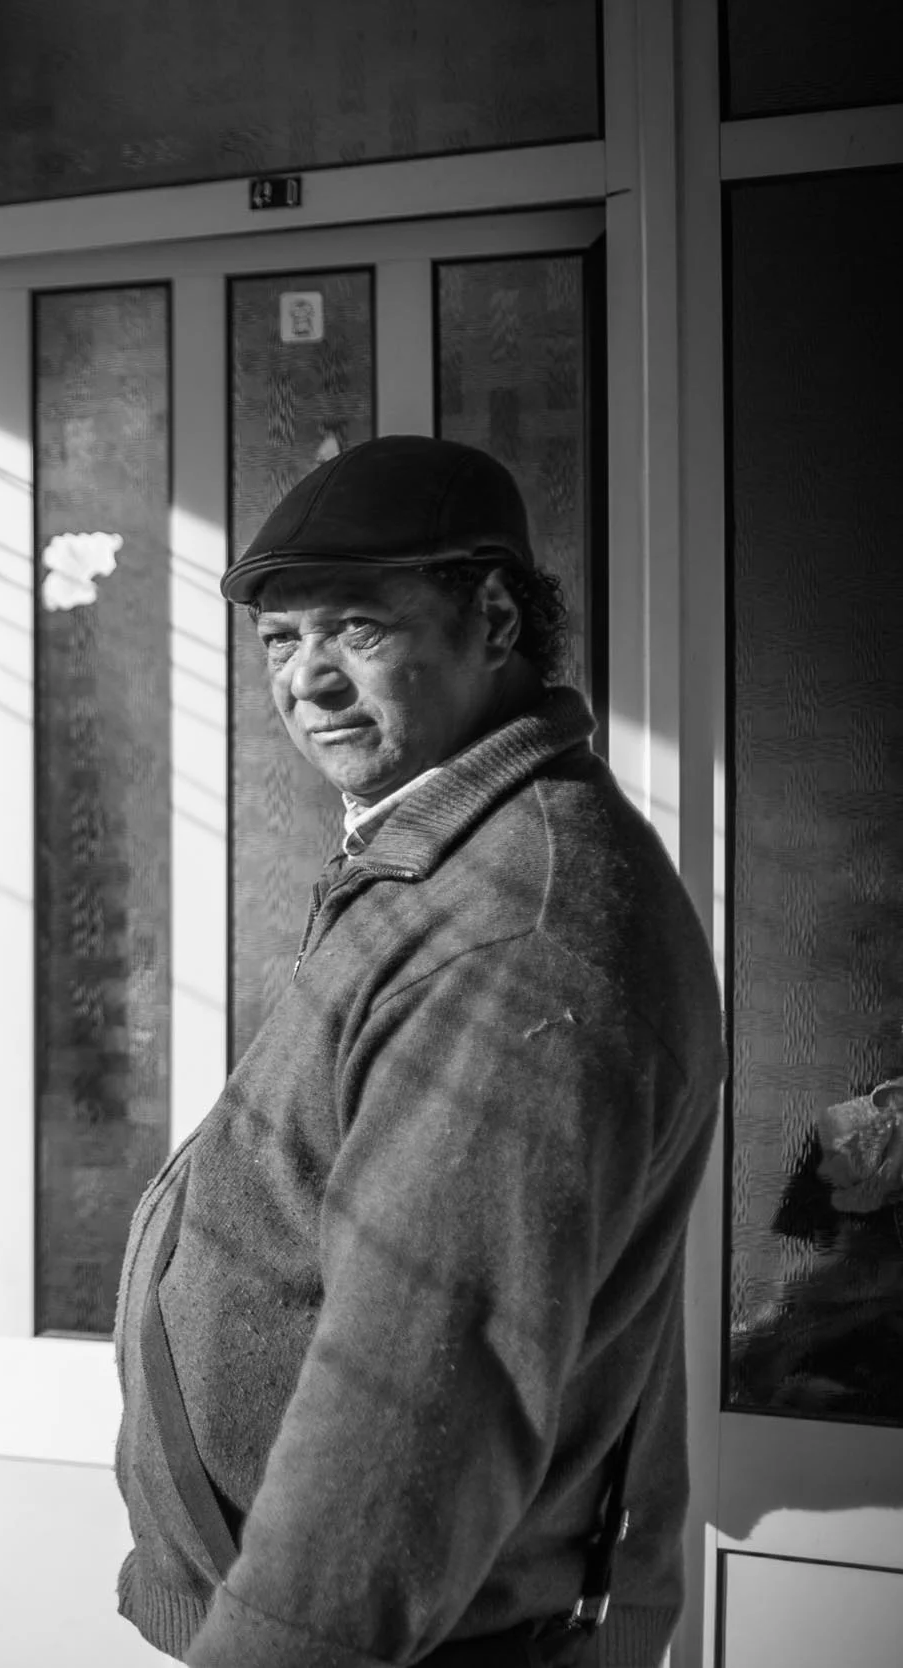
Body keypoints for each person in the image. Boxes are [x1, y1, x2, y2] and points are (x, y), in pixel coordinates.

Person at [112, 436, 723, 1668]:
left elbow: (409, 1414)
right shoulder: (440, 861)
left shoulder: (512, 933)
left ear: (493, 619)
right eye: (279, 640)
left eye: (355, 627)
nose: (307, 679)